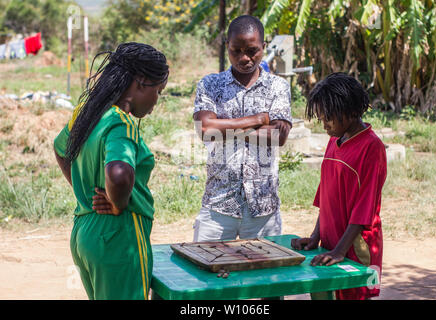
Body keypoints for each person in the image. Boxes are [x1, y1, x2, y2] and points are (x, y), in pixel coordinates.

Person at [53, 42, 169, 300]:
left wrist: (84, 191)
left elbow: (60, 149)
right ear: (141, 83)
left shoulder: (89, 113)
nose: (156, 101)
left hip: (86, 233)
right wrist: (117, 203)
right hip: (119, 237)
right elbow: (118, 173)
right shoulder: (122, 121)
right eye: (158, 91)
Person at [193, 15, 292, 242]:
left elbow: (279, 135)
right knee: (208, 274)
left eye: (252, 50)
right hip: (218, 205)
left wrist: (224, 126)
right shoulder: (210, 85)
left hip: (263, 207)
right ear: (227, 46)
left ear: (264, 47)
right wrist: (258, 119)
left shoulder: (277, 86)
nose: (244, 58)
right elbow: (206, 129)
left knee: (265, 276)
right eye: (236, 51)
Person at [291, 72, 387, 300]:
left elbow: (364, 209)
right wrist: (316, 236)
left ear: (352, 111)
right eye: (322, 118)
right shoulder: (334, 140)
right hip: (331, 241)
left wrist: (340, 251)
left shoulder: (372, 148)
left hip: (356, 246)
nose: (324, 124)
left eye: (328, 118)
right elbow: (326, 193)